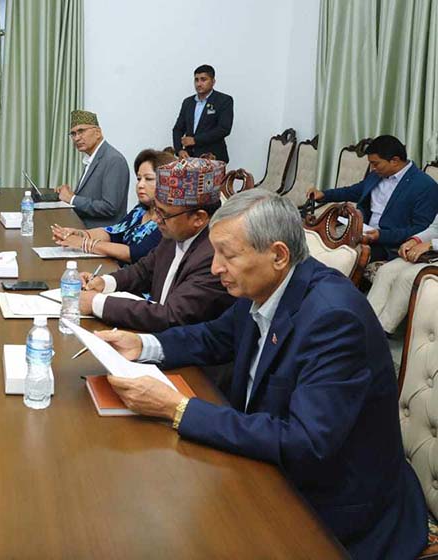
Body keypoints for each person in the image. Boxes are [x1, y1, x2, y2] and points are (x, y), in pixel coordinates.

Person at [97, 189, 427, 559]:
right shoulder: (268, 286)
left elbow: (306, 441)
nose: (215, 268)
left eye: (228, 255)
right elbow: (214, 337)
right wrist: (142, 345)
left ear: (278, 255)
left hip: (332, 506)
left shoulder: (334, 319)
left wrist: (178, 409)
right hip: (265, 465)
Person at [79, 157, 235, 332]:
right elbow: (143, 270)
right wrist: (104, 282)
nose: (155, 219)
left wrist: (96, 303)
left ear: (198, 218)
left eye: (163, 214)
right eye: (155, 210)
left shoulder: (214, 255)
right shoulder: (174, 232)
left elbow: (172, 315)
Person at [309, 135, 438, 261]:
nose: (372, 168)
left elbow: (420, 228)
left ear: (394, 161)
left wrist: (381, 236)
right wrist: (324, 195)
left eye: (375, 164)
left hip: (388, 245)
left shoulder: (424, 185)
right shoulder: (377, 174)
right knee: (316, 242)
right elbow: (354, 191)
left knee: (341, 256)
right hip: (362, 232)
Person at [51, 149, 176, 264]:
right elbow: (113, 233)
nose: (140, 185)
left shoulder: (167, 221)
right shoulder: (140, 211)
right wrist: (80, 233)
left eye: (148, 179)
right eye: (139, 179)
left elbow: (134, 253)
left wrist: (84, 243)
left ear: (167, 182)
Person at [53, 110, 130, 228]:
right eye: (73, 134)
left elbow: (109, 207)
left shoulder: (114, 160)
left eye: (81, 131)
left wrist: (72, 199)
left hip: (103, 234)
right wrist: (70, 194)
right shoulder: (93, 157)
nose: (76, 138)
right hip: (83, 227)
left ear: (97, 132)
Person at [367, 214, 438, 333]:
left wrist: (431, 244)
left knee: (407, 277)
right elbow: (435, 228)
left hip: (433, 250)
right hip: (432, 253)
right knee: (387, 270)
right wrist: (415, 240)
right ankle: (365, 321)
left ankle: (382, 330)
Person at [172, 64, 234, 163]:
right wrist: (179, 150)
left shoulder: (224, 100)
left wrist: (195, 140)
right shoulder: (188, 102)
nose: (199, 84)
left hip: (214, 158)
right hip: (190, 158)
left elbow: (224, 129)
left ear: (213, 81)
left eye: (203, 79)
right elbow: (178, 129)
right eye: (196, 80)